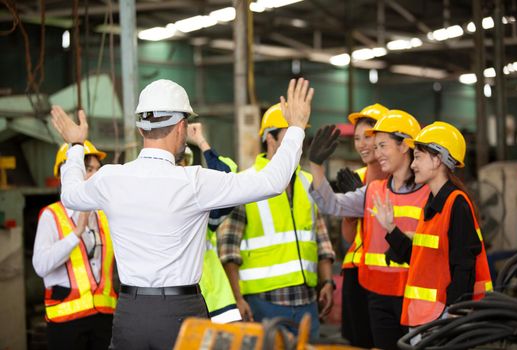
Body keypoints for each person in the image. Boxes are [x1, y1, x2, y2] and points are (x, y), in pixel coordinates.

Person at [50, 77, 313, 350]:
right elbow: (272, 182)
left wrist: (76, 146)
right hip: (180, 312)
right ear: (181, 127)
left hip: (129, 313)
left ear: (141, 129)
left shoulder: (109, 178)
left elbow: (69, 194)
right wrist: (295, 128)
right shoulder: (194, 182)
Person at [308, 110, 430, 350]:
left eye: (382, 144)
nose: (375, 150)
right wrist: (316, 166)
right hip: (379, 296)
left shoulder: (430, 192)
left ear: (405, 146)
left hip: (416, 295)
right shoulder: (373, 190)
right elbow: (331, 204)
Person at [217, 103, 336, 340]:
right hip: (263, 304)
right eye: (292, 133)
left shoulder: (307, 182)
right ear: (270, 138)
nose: (298, 141)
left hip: (307, 303)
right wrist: (237, 299)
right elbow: (228, 252)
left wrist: (327, 282)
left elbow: (321, 241)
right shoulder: (247, 184)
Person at [370, 121, 492, 330]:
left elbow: (464, 266)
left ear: (437, 159)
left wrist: (455, 313)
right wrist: (391, 229)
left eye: (418, 157)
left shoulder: (456, 203)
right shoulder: (433, 204)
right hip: (427, 317)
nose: (413, 164)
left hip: (444, 318)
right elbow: (420, 261)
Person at [32, 141, 117, 350]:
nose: (94, 176)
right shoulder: (51, 215)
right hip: (66, 322)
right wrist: (76, 233)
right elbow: (41, 266)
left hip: (105, 319)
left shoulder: (105, 215)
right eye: (88, 169)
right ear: (66, 173)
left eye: (97, 170)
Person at [338, 104, 389, 347]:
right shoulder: (356, 177)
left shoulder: (397, 178)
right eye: (357, 138)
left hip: (387, 271)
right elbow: (348, 236)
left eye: (368, 137)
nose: (361, 145)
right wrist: (351, 209)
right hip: (356, 270)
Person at [184, 123, 242, 323]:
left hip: (217, 303)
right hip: (182, 307)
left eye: (185, 162)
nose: (181, 167)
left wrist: (201, 142)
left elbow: (227, 178)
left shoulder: (202, 208)